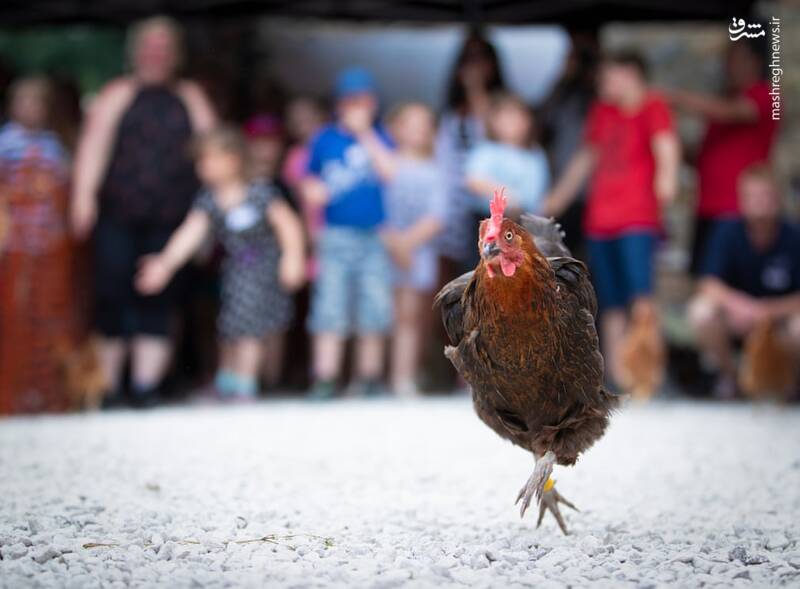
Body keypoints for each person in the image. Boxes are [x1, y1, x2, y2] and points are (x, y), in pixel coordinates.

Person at [70, 16, 216, 408]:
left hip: (172, 214)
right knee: (112, 292)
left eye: (163, 47)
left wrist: (211, 211)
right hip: (117, 212)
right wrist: (83, 196)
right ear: (135, 52)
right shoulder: (117, 93)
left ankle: (145, 386)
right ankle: (109, 387)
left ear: (175, 54)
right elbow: (95, 145)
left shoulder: (189, 95)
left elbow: (213, 149)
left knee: (161, 295)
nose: (156, 54)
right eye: (149, 47)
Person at [136, 126, 305, 400]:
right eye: (201, 161)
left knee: (251, 329)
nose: (202, 167)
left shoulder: (260, 191)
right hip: (235, 273)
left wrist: (293, 258)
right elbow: (190, 233)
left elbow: (289, 225)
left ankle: (246, 383)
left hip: (264, 272)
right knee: (229, 327)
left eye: (209, 160)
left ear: (233, 160)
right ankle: (227, 379)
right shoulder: (209, 198)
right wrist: (165, 263)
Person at [543, 50, 680, 387]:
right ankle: (617, 377)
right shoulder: (602, 112)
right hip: (600, 220)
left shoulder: (653, 106)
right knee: (612, 301)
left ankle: (652, 375)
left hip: (637, 218)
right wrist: (557, 198)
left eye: (608, 76)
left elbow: (666, 145)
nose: (601, 83)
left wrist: (667, 179)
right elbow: (586, 158)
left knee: (642, 299)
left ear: (630, 74)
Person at [301, 66, 394, 399]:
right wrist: (312, 192)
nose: (357, 108)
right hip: (335, 235)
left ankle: (369, 377)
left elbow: (390, 172)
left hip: (374, 235)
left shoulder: (380, 136)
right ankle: (325, 376)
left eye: (364, 102)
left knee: (375, 303)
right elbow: (309, 179)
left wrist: (365, 134)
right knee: (330, 303)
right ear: (339, 105)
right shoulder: (325, 139)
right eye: (351, 102)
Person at [666, 36, 779, 274]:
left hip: (739, 210)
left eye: (736, 59)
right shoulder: (723, 107)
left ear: (755, 62)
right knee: (704, 278)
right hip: (707, 208)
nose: (729, 66)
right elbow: (701, 158)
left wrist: (675, 97)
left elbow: (730, 111)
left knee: (737, 279)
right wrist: (668, 141)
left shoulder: (766, 95)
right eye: (727, 59)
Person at [688, 164, 800, 398]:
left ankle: (788, 381)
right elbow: (708, 283)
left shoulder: (793, 236)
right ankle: (732, 377)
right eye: (753, 196)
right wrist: (741, 305)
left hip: (779, 322)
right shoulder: (726, 231)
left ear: (777, 199)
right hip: (738, 319)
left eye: (765, 195)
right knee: (701, 311)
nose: (759, 203)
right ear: (742, 200)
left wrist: (767, 311)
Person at [382, 102, 446, 398]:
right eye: (411, 123)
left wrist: (405, 244)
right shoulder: (384, 163)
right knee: (377, 314)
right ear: (394, 129)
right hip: (383, 248)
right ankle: (369, 374)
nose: (419, 130)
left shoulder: (436, 172)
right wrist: (394, 243)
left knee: (411, 316)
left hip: (418, 252)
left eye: (425, 124)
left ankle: (403, 376)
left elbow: (437, 218)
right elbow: (372, 207)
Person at [436, 31, 506, 270]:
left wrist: (475, 88)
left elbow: (490, 129)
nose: (474, 67)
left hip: (487, 205)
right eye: (468, 59)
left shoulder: (502, 105)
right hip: (454, 204)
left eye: (480, 58)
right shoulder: (451, 112)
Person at [465, 92, 549, 226]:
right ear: (492, 121)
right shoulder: (487, 150)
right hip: (487, 221)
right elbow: (474, 180)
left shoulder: (535, 154)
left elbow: (537, 194)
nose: (512, 123)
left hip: (523, 222)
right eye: (505, 118)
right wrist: (509, 197)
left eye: (517, 117)